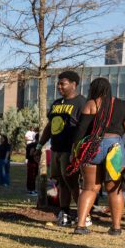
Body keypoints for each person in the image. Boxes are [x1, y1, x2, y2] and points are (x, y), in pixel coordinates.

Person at [70, 77, 125, 235]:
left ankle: (80, 225)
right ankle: (116, 227)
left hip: (93, 147)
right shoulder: (124, 105)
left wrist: (75, 153)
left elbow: (80, 131)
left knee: (89, 188)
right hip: (115, 148)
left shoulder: (91, 104)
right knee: (114, 190)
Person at [38, 71, 85, 225]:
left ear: (74, 84)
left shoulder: (81, 103)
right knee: (61, 183)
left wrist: (77, 151)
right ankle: (64, 213)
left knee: (72, 183)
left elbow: (85, 129)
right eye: (58, 83)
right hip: (56, 149)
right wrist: (40, 145)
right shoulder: (57, 104)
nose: (59, 87)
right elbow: (49, 127)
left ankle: (83, 215)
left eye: (62, 83)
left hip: (70, 151)